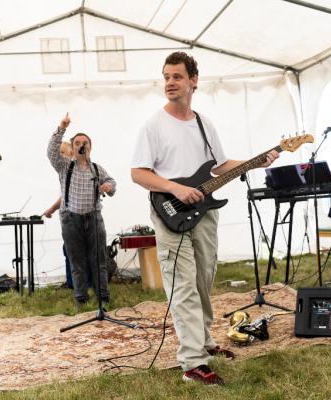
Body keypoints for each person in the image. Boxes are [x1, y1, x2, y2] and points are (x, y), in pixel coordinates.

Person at [131, 51, 278, 385]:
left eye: (177, 77)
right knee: (182, 284)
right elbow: (138, 173)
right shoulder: (153, 125)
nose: (170, 83)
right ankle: (193, 362)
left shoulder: (204, 123)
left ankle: (205, 342)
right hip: (170, 212)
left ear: (193, 81)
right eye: (166, 77)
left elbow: (220, 166)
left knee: (203, 280)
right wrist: (176, 188)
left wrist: (257, 161)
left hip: (204, 213)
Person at [47, 113, 116, 308]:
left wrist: (109, 187)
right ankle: (81, 299)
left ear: (90, 147)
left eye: (84, 143)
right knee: (76, 261)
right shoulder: (64, 166)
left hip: (94, 218)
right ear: (73, 147)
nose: (81, 145)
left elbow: (112, 182)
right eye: (77, 143)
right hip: (71, 219)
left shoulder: (97, 169)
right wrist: (61, 128)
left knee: (98, 260)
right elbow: (51, 152)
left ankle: (103, 297)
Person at [43, 141, 94, 290]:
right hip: (68, 220)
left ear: (72, 153)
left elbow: (64, 197)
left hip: (75, 220)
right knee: (69, 250)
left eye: (62, 153)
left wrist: (51, 209)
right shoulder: (65, 171)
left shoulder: (74, 170)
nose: (59, 156)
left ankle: (81, 283)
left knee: (76, 250)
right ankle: (73, 282)